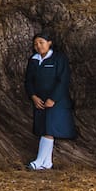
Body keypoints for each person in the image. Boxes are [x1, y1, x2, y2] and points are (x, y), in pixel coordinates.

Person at [24, 31, 76, 170]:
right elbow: (28, 81)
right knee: (44, 129)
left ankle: (39, 160)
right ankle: (46, 163)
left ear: (49, 43)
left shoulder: (58, 58)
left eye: (41, 42)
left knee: (49, 129)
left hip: (57, 101)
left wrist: (53, 98)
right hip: (39, 101)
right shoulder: (33, 60)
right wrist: (33, 96)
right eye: (36, 44)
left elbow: (63, 80)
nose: (38, 46)